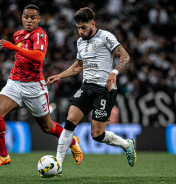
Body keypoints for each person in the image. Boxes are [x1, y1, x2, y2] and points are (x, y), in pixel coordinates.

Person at [0, 4, 83, 173]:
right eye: (26, 17)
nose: (29, 20)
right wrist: (15, 47)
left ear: (38, 19)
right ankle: (3, 155)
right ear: (22, 18)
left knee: (47, 127)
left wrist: (14, 47)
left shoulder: (40, 35)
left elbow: (39, 57)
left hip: (34, 87)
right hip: (15, 83)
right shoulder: (18, 34)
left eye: (33, 17)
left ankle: (73, 142)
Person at [45, 7, 136, 175]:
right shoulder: (80, 42)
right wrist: (59, 76)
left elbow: (125, 56)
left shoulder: (106, 37)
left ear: (92, 24)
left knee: (96, 134)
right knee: (70, 120)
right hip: (86, 87)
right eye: (78, 28)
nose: (80, 31)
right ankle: (58, 164)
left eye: (83, 27)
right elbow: (79, 66)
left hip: (104, 89)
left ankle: (126, 145)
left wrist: (114, 73)